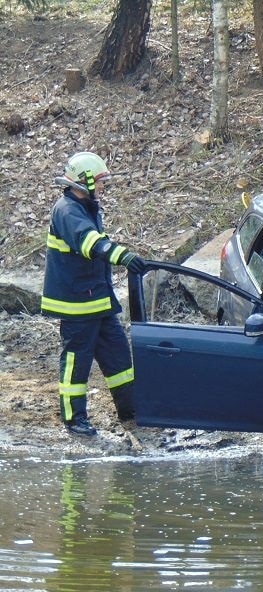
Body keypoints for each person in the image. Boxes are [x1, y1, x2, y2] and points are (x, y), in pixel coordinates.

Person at [41, 152, 148, 436]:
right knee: (76, 365)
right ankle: (74, 419)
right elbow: (90, 243)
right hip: (77, 305)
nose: (103, 186)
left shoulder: (86, 206)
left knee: (119, 360)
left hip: (97, 301)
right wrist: (123, 256)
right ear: (84, 180)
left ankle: (132, 411)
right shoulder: (66, 210)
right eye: (100, 181)